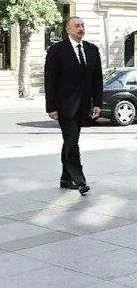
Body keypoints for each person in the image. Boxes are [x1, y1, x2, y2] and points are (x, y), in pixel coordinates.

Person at [44, 16, 102, 196]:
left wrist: (97, 103)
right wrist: (51, 107)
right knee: (72, 140)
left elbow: (97, 79)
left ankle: (65, 178)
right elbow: (50, 80)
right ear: (68, 30)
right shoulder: (57, 50)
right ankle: (79, 179)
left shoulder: (92, 50)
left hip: (83, 107)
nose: (81, 28)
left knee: (70, 141)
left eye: (82, 25)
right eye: (77, 26)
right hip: (64, 107)